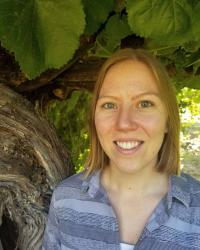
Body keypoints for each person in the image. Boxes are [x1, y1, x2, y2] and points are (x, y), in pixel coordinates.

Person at [42, 48, 200, 250]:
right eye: (109, 105)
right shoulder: (66, 201)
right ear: (94, 119)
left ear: (168, 120)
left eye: (144, 103)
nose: (124, 123)